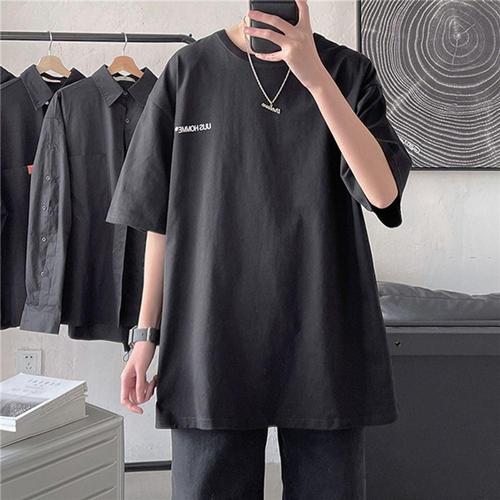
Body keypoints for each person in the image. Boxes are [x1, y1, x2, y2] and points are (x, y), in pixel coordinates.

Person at [106, 0, 413, 498]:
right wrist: (144, 336)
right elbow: (156, 219)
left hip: (323, 335)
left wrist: (315, 79)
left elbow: (382, 193)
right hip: (210, 337)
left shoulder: (346, 71)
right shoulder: (190, 70)